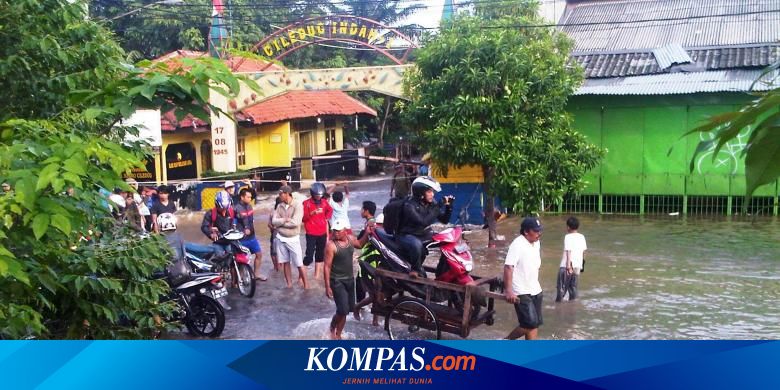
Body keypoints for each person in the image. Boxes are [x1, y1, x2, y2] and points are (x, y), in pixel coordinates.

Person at [396, 176, 454, 277]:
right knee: (417, 245)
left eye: (432, 192)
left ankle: (443, 269)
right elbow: (423, 222)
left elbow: (444, 220)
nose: (432, 194)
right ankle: (415, 269)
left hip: (422, 234)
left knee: (447, 240)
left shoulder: (431, 203)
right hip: (406, 235)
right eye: (429, 192)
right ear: (420, 193)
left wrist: (449, 207)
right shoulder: (409, 205)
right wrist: (438, 206)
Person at [324, 219, 371, 340]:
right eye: (334, 230)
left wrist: (367, 233)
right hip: (337, 281)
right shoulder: (331, 245)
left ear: (345, 230)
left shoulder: (350, 239)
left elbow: (360, 244)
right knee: (342, 310)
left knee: (347, 310)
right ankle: (332, 328)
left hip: (349, 280)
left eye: (338, 231)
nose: (336, 233)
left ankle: (338, 334)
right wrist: (327, 286)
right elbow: (327, 266)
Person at [504, 217, 544, 340]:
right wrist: (509, 291)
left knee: (535, 323)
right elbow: (508, 267)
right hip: (520, 289)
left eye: (540, 230)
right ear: (526, 231)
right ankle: (505, 342)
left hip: (535, 288)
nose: (539, 234)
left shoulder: (536, 243)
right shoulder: (517, 244)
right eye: (536, 231)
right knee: (529, 323)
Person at [272, 185, 307, 289]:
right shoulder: (280, 205)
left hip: (293, 238)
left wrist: (280, 224)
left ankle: (306, 286)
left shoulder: (298, 205)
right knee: (285, 262)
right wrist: (284, 220)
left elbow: (296, 223)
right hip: (281, 238)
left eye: (281, 194)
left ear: (287, 194)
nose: (279, 195)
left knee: (299, 263)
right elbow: (274, 221)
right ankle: (289, 285)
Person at [354, 203, 381, 326]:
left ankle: (358, 310)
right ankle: (373, 320)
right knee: (375, 290)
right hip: (373, 259)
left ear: (366, 211)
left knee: (366, 289)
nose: (360, 211)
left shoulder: (370, 224)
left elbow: (360, 242)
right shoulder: (374, 223)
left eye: (362, 209)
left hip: (369, 261)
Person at [302, 182, 332, 280]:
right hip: (311, 233)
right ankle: (301, 277)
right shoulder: (306, 203)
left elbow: (330, 210)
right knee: (309, 256)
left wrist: (326, 218)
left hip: (322, 232)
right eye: (317, 195)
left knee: (320, 255)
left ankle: (317, 276)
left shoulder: (324, 202)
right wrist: (312, 213)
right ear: (312, 194)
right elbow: (303, 219)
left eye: (320, 195)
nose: (319, 197)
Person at [236, 188, 266, 282]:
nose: (250, 199)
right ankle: (239, 279)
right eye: (248, 197)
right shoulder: (236, 208)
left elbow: (255, 195)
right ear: (242, 197)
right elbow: (232, 224)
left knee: (259, 254)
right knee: (241, 260)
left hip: (252, 237)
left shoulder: (249, 206)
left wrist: (249, 184)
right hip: (242, 239)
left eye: (250, 197)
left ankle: (256, 274)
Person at [556, 216, 587, 302]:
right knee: (573, 288)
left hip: (567, 266)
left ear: (568, 227)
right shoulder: (582, 237)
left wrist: (568, 266)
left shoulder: (568, 237)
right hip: (577, 266)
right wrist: (582, 265)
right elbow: (584, 252)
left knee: (561, 288)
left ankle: (559, 305)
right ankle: (572, 305)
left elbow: (568, 251)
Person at [199, 191, 236, 257]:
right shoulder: (210, 213)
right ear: (216, 205)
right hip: (218, 243)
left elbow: (237, 220)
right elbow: (204, 227)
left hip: (230, 242)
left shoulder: (232, 211)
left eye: (226, 209)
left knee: (234, 257)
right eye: (222, 209)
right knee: (220, 258)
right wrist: (210, 233)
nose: (224, 211)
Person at [267, 180, 287, 273]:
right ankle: (279, 268)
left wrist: (273, 228)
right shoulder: (282, 212)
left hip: (276, 235)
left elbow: (269, 224)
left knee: (274, 252)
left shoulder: (273, 212)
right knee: (279, 252)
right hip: (280, 235)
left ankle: (276, 268)